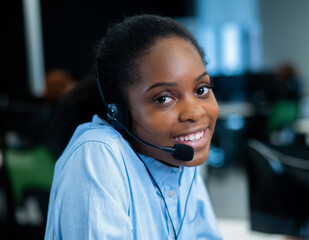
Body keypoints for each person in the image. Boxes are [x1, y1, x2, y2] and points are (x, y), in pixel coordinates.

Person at [44, 14, 222, 239]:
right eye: (164, 98)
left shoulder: (178, 156)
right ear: (118, 111)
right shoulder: (98, 154)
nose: (195, 112)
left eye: (201, 90)